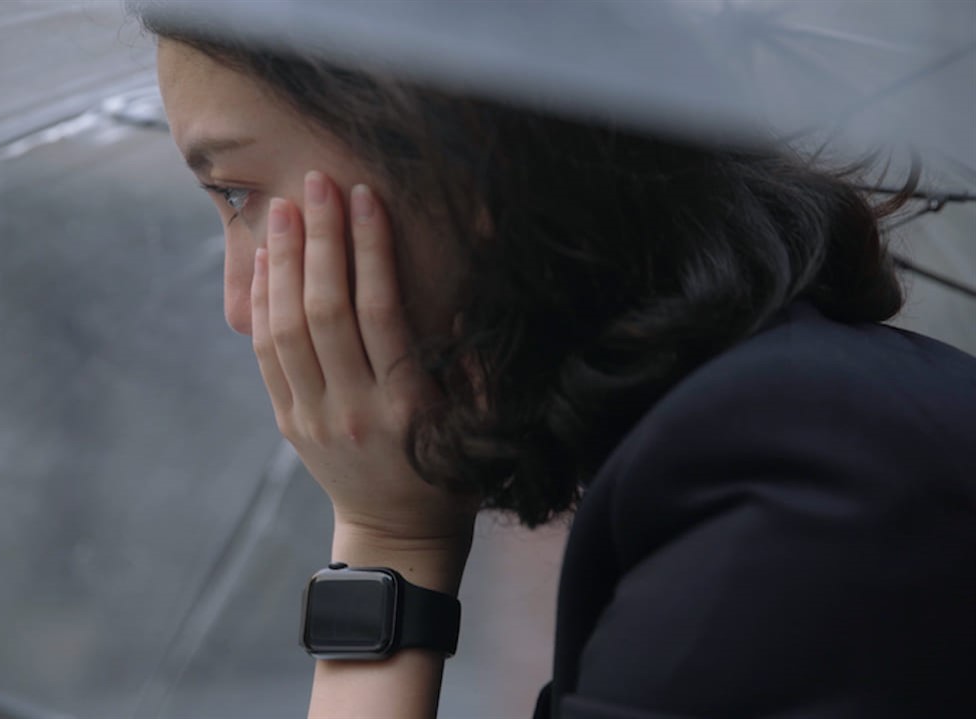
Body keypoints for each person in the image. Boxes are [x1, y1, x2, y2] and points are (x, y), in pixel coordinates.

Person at [147, 18, 976, 719]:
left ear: (453, 141)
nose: (241, 303)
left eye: (236, 191)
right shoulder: (782, 434)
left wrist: (388, 544)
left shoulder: (786, 487)